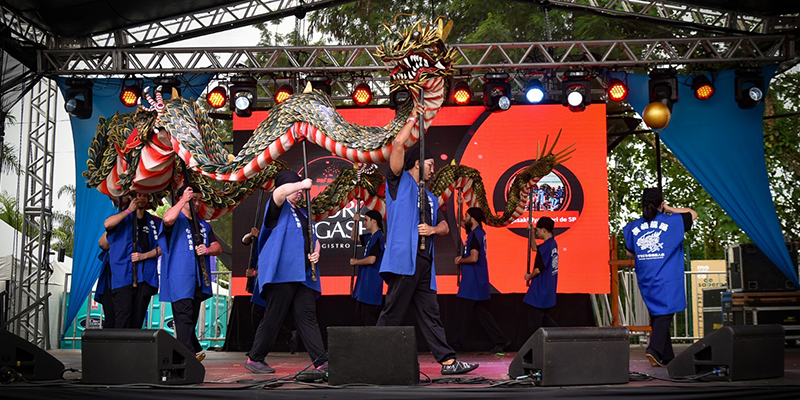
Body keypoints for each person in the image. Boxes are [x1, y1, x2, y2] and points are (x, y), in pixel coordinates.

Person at [378, 102, 479, 375]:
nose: (433, 169)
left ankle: (447, 362)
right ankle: (372, 356)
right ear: (416, 163)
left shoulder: (432, 197)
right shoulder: (399, 183)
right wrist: (414, 118)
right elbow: (398, 145)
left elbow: (445, 226)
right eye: (430, 163)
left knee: (430, 313)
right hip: (403, 260)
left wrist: (432, 231)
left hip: (424, 263)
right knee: (393, 313)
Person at [245, 170, 326, 374]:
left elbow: (314, 238)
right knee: (274, 315)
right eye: (294, 187)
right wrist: (303, 183)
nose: (299, 192)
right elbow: (280, 193)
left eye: (299, 188)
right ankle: (255, 358)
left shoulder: (303, 213)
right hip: (283, 272)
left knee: (307, 316)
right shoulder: (276, 208)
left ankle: (322, 360)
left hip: (304, 274)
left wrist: (316, 252)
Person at [623, 187, 697, 367]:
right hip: (667, 277)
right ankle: (654, 349)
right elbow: (693, 214)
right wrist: (669, 209)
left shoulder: (632, 227)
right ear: (660, 204)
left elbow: (630, 253)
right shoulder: (672, 221)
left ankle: (667, 356)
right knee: (665, 314)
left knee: (657, 315)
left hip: (647, 277)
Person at [160, 186, 222, 360]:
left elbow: (218, 247)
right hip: (179, 277)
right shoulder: (176, 219)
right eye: (193, 199)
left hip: (198, 279)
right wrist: (182, 200)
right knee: (184, 316)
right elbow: (167, 219)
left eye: (198, 200)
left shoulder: (203, 224)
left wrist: (207, 250)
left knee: (191, 318)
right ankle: (187, 354)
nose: (196, 203)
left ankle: (187, 351)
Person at [452, 207, 510, 353]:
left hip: (472, 282)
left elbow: (474, 258)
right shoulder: (478, 233)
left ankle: (455, 345)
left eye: (466, 216)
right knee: (481, 314)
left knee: (461, 314)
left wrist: (460, 260)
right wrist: (459, 205)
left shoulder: (475, 235)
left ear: (473, 218)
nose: (464, 218)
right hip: (476, 280)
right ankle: (501, 340)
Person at [103, 192, 161, 329]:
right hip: (123, 276)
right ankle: (120, 350)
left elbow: (163, 248)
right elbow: (107, 224)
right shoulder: (122, 217)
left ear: (148, 198)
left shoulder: (155, 222)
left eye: (144, 195)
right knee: (122, 316)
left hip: (145, 276)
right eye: (137, 195)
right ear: (130, 197)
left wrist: (144, 256)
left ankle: (133, 349)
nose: (141, 198)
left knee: (138, 319)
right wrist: (129, 210)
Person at [523, 216, 559, 336]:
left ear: (544, 229)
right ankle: (561, 337)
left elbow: (538, 269)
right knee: (545, 320)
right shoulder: (552, 244)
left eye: (538, 230)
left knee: (533, 324)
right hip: (548, 290)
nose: (537, 233)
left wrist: (529, 276)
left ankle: (535, 348)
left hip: (539, 292)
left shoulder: (545, 248)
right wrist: (532, 232)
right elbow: (534, 248)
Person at [349, 210, 386, 326]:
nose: (364, 223)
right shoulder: (370, 237)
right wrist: (356, 223)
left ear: (374, 221)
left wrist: (357, 262)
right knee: (361, 314)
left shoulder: (378, 237)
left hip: (371, 282)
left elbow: (372, 259)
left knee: (368, 316)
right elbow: (354, 238)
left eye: (366, 220)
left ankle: (373, 342)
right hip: (364, 282)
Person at [96, 233, 116, 328]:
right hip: (110, 283)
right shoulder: (115, 228)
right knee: (111, 319)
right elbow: (103, 243)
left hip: (129, 282)